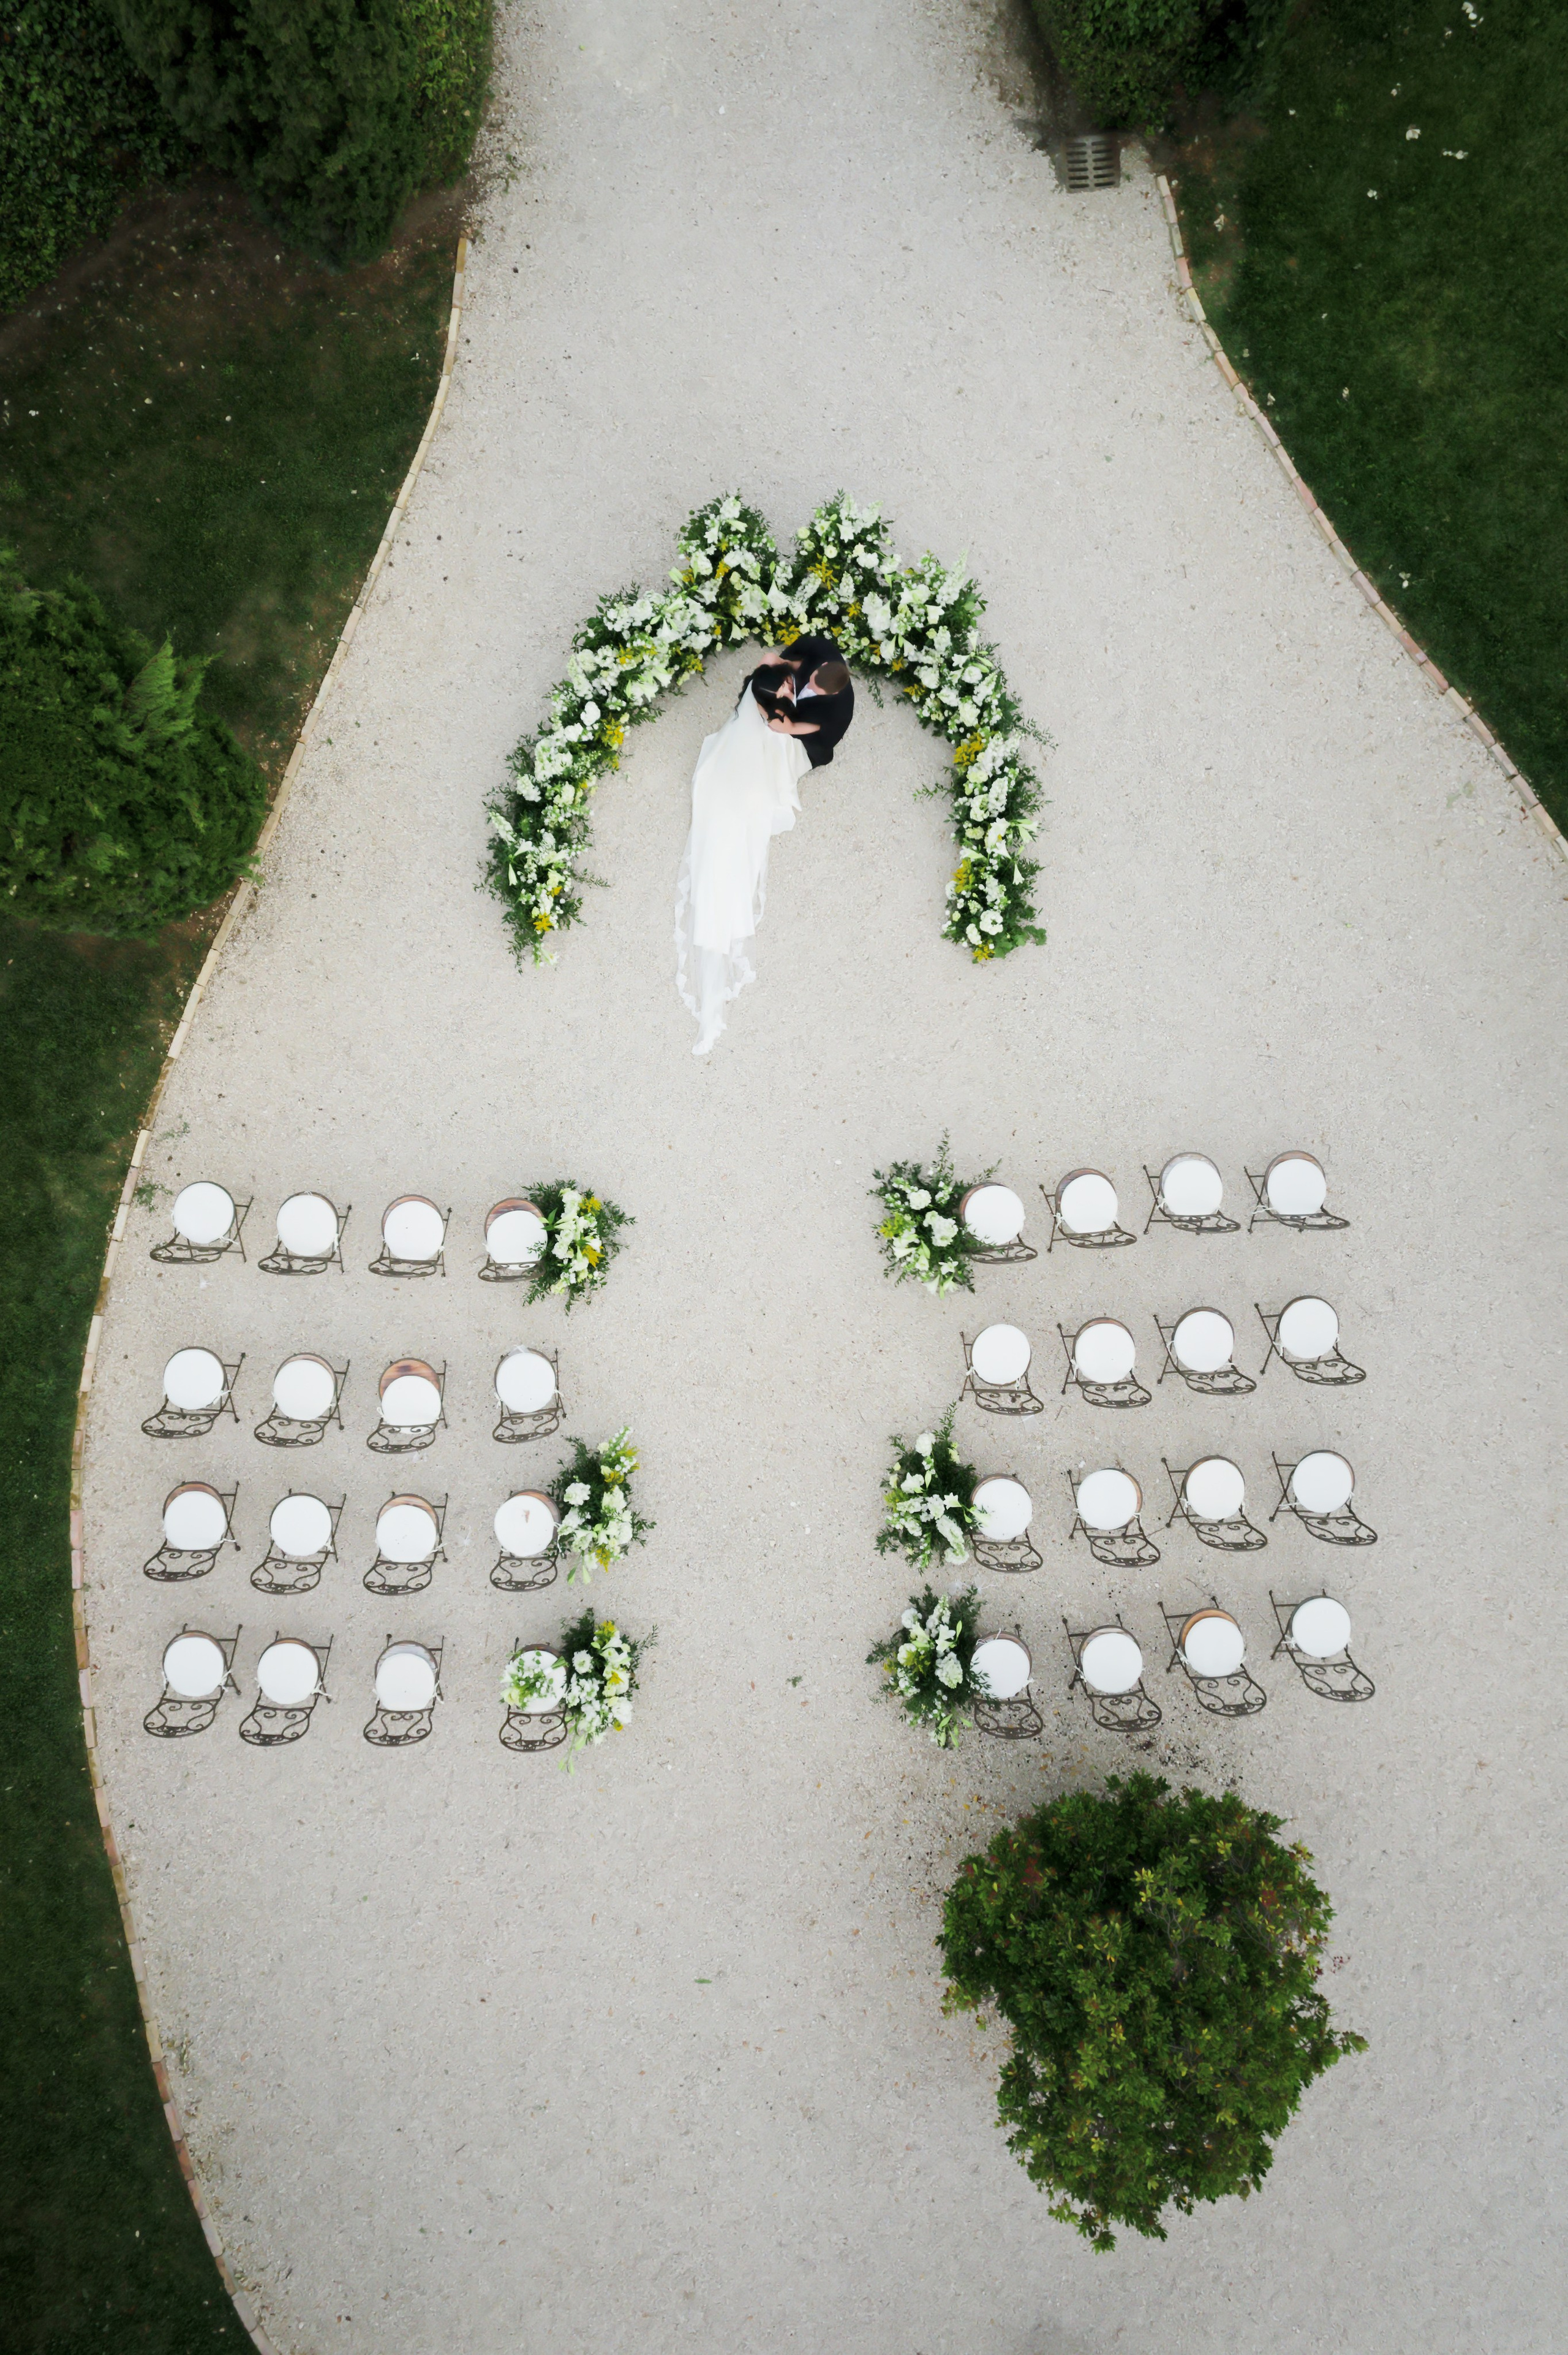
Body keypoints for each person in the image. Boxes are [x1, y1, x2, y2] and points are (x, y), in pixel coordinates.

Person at [673, 635, 856, 1055]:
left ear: (832, 692)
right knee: (746, 732)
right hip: (772, 710)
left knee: (767, 754)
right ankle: (738, 765)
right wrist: (774, 685)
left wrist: (785, 723)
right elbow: (772, 659)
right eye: (808, 681)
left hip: (798, 738)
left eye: (814, 688)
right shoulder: (816, 651)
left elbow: (811, 731)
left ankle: (756, 783)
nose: (807, 685)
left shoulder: (837, 709)